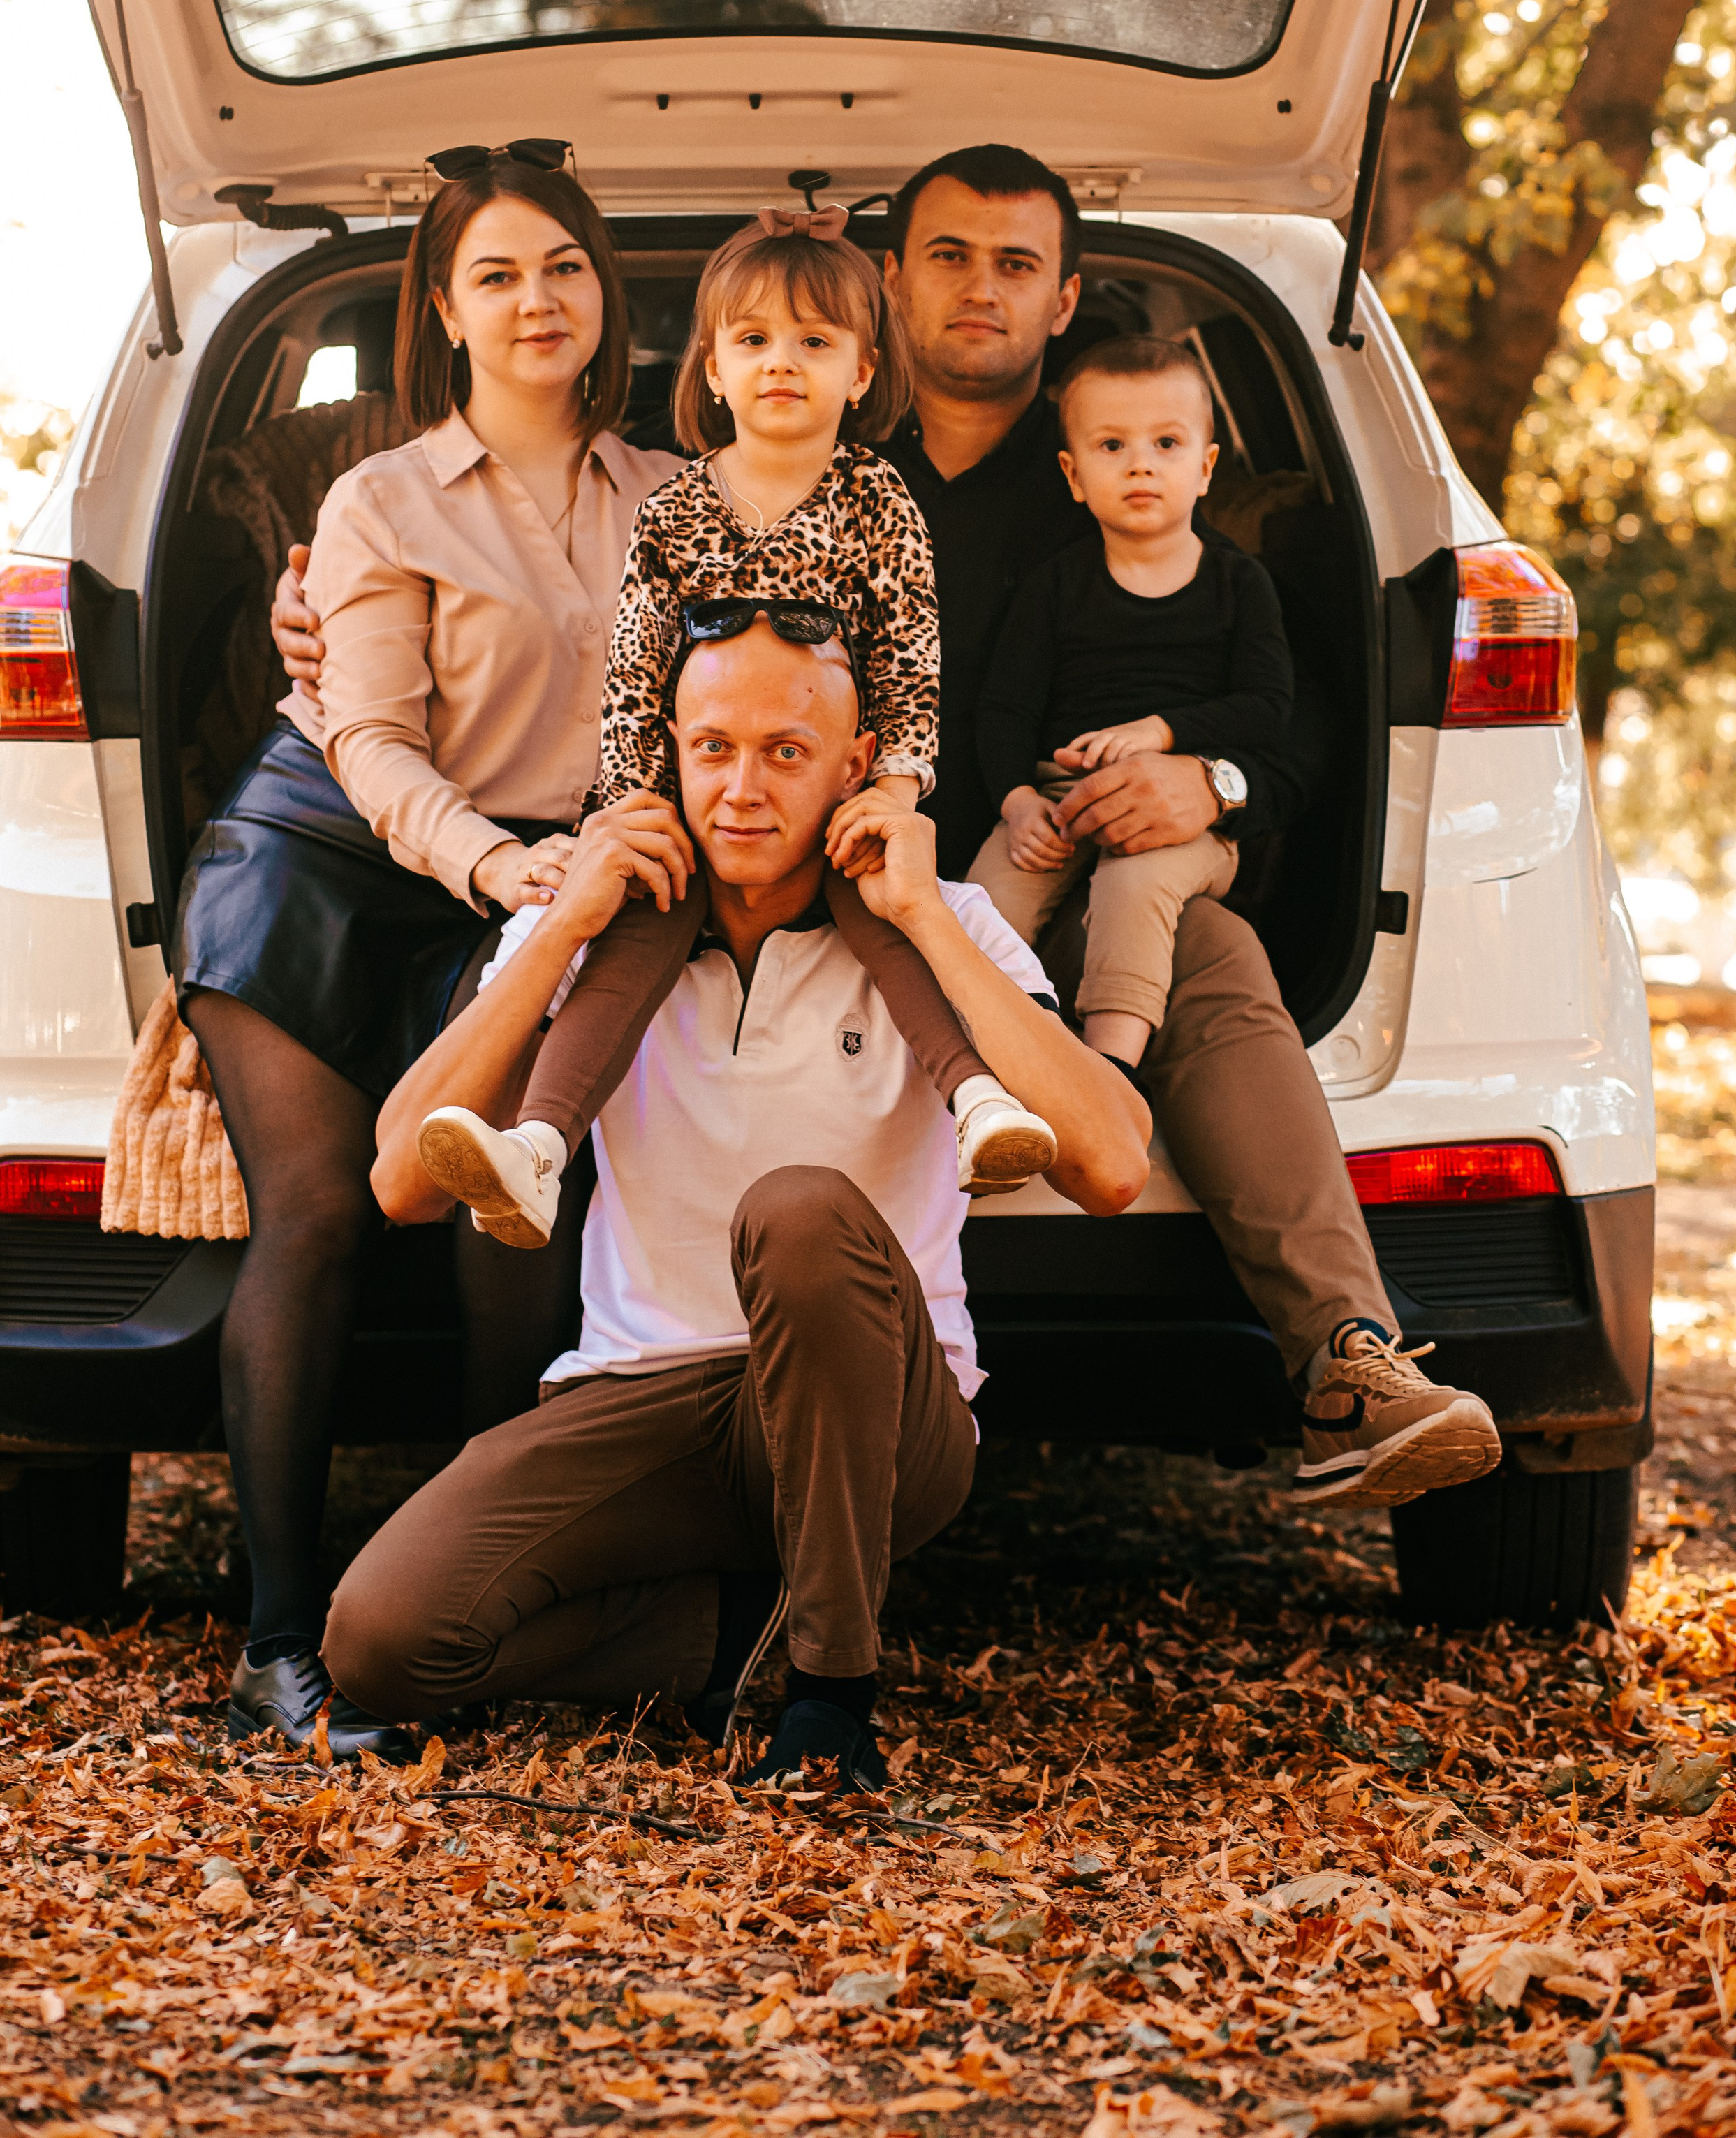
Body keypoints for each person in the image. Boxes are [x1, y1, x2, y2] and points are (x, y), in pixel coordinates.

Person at [274, 142, 1503, 1511]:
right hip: (778, 861)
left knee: (1206, 954)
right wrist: (321, 610)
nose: (980, 290)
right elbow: (607, 615)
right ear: (891, 291)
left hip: (1031, 875)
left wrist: (1207, 780)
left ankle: (1349, 1361)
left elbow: (1303, 707)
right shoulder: (772, 466)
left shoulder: (1117, 462)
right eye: (947, 257)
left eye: (1016, 263)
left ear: (1061, 294)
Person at [323, 613, 1150, 1786]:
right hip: (650, 1391)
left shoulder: (944, 925)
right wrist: (559, 921)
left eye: (785, 752)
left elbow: (1112, 1163)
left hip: (879, 1407)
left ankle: (830, 1695)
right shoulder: (595, 935)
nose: (742, 790)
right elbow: (401, 1180)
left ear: (855, 769)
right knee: (383, 1640)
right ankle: (739, 1637)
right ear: (666, 756)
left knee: (800, 1211)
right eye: (711, 749)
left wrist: (921, 912)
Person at [182, 143, 685, 1760]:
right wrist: (501, 866)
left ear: (603, 293)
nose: (533, 299)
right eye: (494, 273)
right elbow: (372, 740)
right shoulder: (378, 498)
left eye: (560, 265)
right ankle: (275, 1646)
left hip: (541, 887)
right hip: (324, 859)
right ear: (447, 311)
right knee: (321, 1208)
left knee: (502, 1207)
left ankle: (471, 1599)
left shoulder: (673, 494)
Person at [412, 206, 1053, 1256]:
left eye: (814, 343)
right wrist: (631, 805)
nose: (781, 365)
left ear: (862, 371)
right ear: (711, 370)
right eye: (752, 342)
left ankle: (979, 1101)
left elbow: (908, 657)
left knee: (889, 922)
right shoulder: (676, 507)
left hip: (834, 801)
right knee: (633, 930)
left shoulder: (877, 498)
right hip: (688, 806)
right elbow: (633, 672)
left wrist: (893, 786)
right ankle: (537, 1143)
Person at [970, 330, 1293, 1069]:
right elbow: (1003, 712)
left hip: (1190, 818)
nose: (1141, 463)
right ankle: (985, 1073)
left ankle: (1108, 1071)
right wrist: (1018, 802)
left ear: (1206, 468)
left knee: (1134, 885)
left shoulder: (1239, 585)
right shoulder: (1055, 585)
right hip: (1059, 797)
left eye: (1167, 443)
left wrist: (1163, 732)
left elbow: (1268, 707)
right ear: (1074, 474)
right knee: (985, 904)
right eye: (1111, 446)